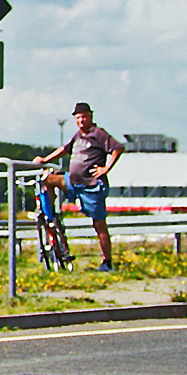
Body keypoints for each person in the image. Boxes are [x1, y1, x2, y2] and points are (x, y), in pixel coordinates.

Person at [33, 102, 125, 271]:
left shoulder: (98, 134)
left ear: (90, 116)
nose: (81, 120)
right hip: (73, 181)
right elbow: (65, 149)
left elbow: (118, 148)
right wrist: (45, 160)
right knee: (48, 179)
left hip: (91, 186)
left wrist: (106, 169)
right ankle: (50, 214)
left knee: (99, 224)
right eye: (78, 117)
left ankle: (107, 261)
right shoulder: (78, 136)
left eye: (84, 116)